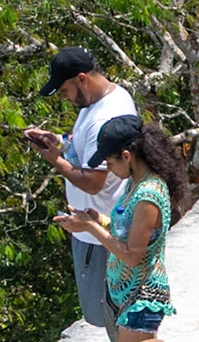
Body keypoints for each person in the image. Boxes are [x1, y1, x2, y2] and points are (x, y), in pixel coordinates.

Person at [26, 48, 138, 342]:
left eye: (65, 90)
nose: (64, 97)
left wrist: (55, 160)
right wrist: (61, 142)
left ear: (82, 78)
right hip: (96, 228)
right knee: (114, 316)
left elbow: (94, 182)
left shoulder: (106, 115)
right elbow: (88, 150)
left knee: (116, 316)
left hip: (101, 234)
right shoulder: (103, 100)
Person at [53, 115, 194, 342]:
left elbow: (132, 255)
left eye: (109, 162)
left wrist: (89, 227)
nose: (109, 169)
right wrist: (100, 220)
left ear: (126, 156)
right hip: (125, 289)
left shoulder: (148, 195)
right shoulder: (134, 183)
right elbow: (130, 227)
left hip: (143, 293)